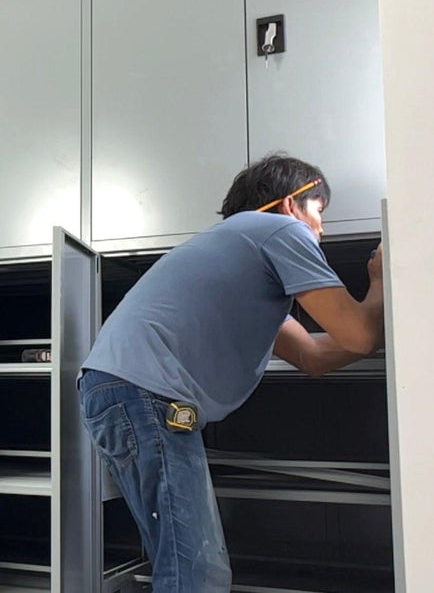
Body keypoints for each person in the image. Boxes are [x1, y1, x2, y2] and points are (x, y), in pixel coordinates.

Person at [78, 153, 385, 591]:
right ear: (290, 204)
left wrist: (377, 330)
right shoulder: (278, 230)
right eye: (319, 211)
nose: (321, 228)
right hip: (145, 395)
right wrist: (380, 281)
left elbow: (314, 356)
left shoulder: (242, 259)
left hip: (125, 393)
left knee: (184, 567)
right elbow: (356, 336)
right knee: (198, 575)